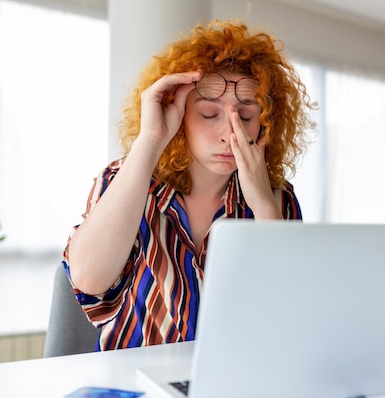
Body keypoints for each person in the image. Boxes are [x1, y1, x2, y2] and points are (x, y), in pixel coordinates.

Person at [63, 19, 316, 351]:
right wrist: (151, 139)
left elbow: (291, 317)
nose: (230, 133)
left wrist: (264, 206)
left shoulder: (279, 201)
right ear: (180, 117)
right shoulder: (124, 181)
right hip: (134, 379)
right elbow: (90, 280)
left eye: (246, 116)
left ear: (266, 123)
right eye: (210, 115)